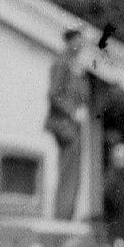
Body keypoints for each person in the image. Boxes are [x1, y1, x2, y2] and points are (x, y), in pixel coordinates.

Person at [45, 28, 93, 217]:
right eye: (77, 41)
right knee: (68, 173)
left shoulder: (76, 66)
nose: (80, 46)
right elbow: (53, 94)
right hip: (65, 124)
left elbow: (83, 95)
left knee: (74, 174)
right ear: (70, 41)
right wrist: (73, 113)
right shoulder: (61, 63)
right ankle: (62, 216)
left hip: (74, 125)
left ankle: (67, 215)